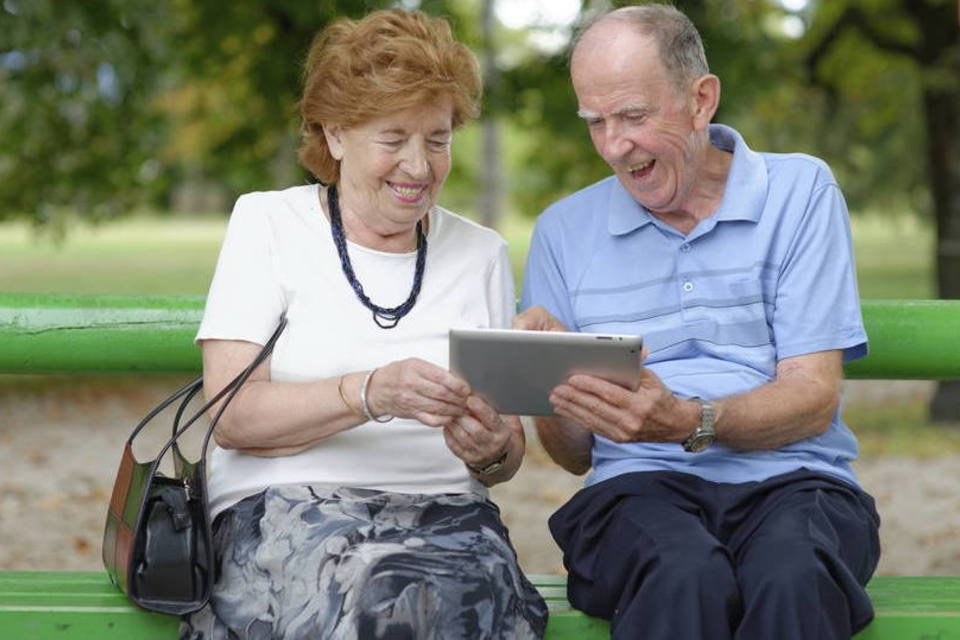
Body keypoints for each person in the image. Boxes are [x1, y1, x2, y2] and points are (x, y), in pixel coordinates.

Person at [515, 5, 880, 640]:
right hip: (637, 492)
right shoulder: (562, 232)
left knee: (790, 575)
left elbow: (813, 399)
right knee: (684, 572)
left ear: (700, 100)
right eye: (595, 122)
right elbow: (574, 456)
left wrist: (687, 419)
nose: (613, 145)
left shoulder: (801, 192)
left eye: (632, 116)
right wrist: (548, 381)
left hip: (796, 481)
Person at [182, 9, 547, 639]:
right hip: (286, 508)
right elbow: (230, 417)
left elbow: (503, 456)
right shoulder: (269, 225)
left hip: (450, 519)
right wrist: (370, 392)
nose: (419, 166)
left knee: (462, 590)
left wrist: (491, 450)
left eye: (438, 139)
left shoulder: (481, 252)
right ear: (335, 134)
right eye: (393, 138)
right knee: (386, 591)